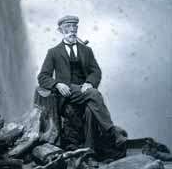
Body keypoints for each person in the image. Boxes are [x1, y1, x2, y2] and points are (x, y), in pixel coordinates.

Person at [38, 15, 127, 158]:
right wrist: (57, 84)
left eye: (74, 27)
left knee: (91, 110)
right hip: (66, 93)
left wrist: (89, 82)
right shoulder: (53, 52)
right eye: (68, 27)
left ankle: (88, 151)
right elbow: (42, 77)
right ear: (60, 30)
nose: (72, 30)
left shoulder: (87, 50)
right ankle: (112, 132)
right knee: (95, 94)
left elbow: (96, 71)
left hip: (84, 90)